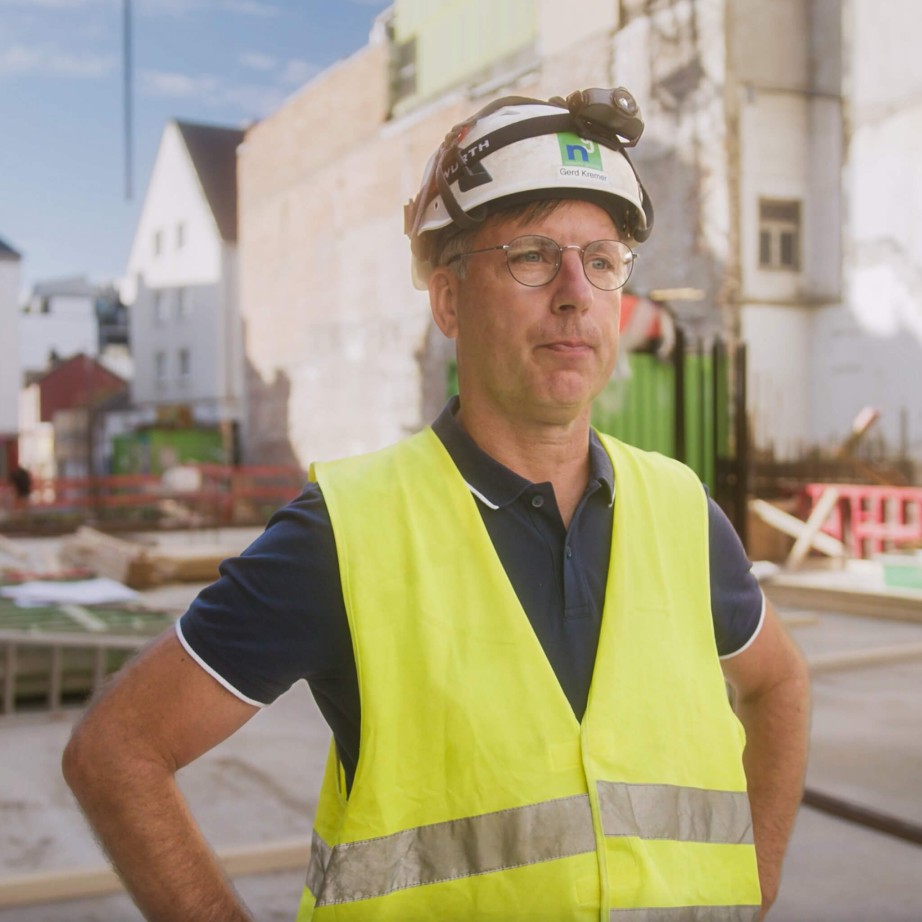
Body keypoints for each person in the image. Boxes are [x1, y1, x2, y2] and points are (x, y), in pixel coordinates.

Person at [63, 87, 810, 922]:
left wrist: (758, 877)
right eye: (531, 254)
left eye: (600, 261)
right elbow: (117, 752)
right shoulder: (346, 533)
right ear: (449, 300)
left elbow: (778, 684)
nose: (574, 292)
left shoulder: (681, 510)